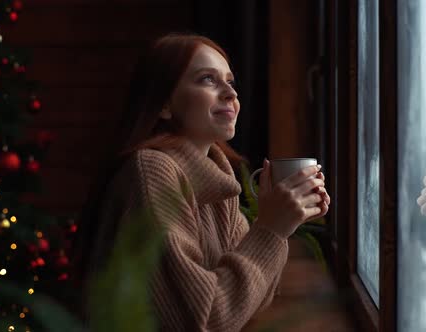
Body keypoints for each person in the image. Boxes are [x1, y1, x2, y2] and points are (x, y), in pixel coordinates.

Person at [72, 32, 330, 331]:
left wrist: (281, 221)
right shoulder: (152, 171)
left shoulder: (218, 179)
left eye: (230, 81)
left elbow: (250, 302)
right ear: (164, 104)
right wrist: (271, 229)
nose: (230, 94)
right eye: (208, 79)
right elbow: (203, 320)